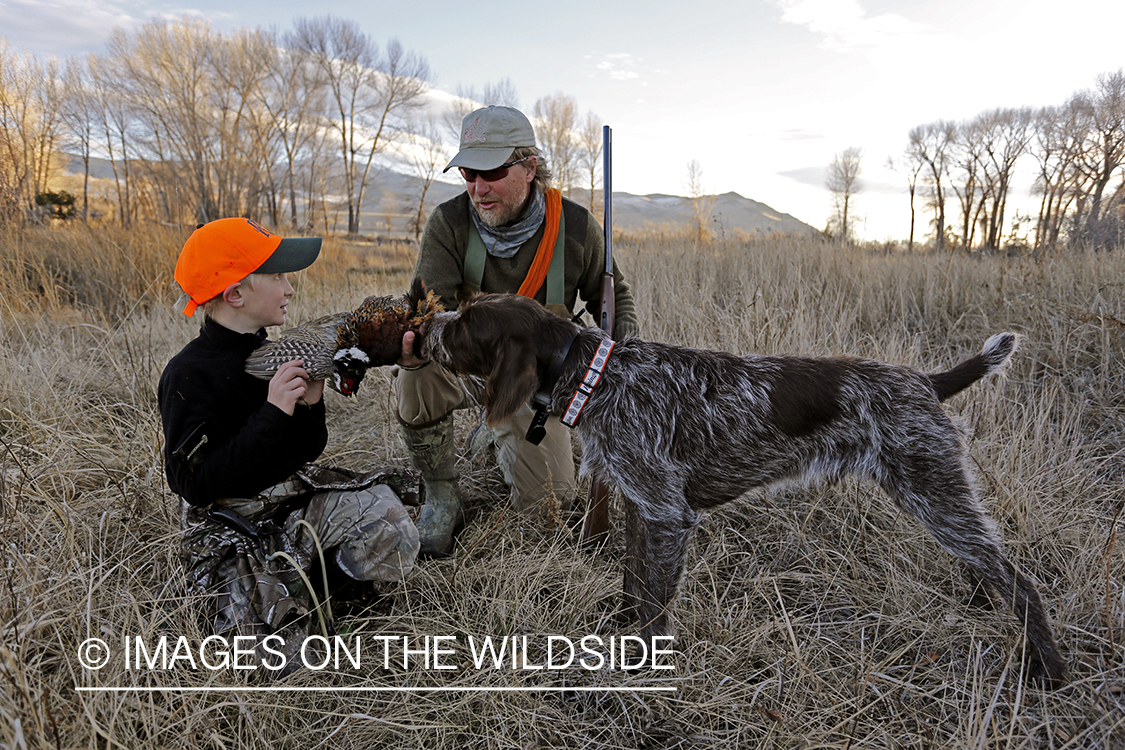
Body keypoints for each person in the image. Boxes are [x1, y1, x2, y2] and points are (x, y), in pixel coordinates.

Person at [159, 217, 419, 672]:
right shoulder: (189, 374)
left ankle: (320, 588)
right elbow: (194, 483)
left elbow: (303, 451)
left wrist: (309, 406)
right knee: (275, 662)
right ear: (236, 294)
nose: (289, 289)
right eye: (276, 277)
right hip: (229, 526)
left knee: (393, 525)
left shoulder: (270, 352)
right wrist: (273, 412)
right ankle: (280, 595)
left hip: (285, 504)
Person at [394, 105, 639, 558]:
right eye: (468, 172)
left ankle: (498, 432)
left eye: (491, 170)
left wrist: (624, 361)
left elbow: (613, 296)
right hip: (466, 364)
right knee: (417, 375)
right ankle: (442, 493)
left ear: (529, 168)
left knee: (549, 509)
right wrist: (415, 344)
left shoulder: (577, 226)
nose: (477, 187)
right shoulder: (449, 224)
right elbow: (429, 313)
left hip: (534, 382)